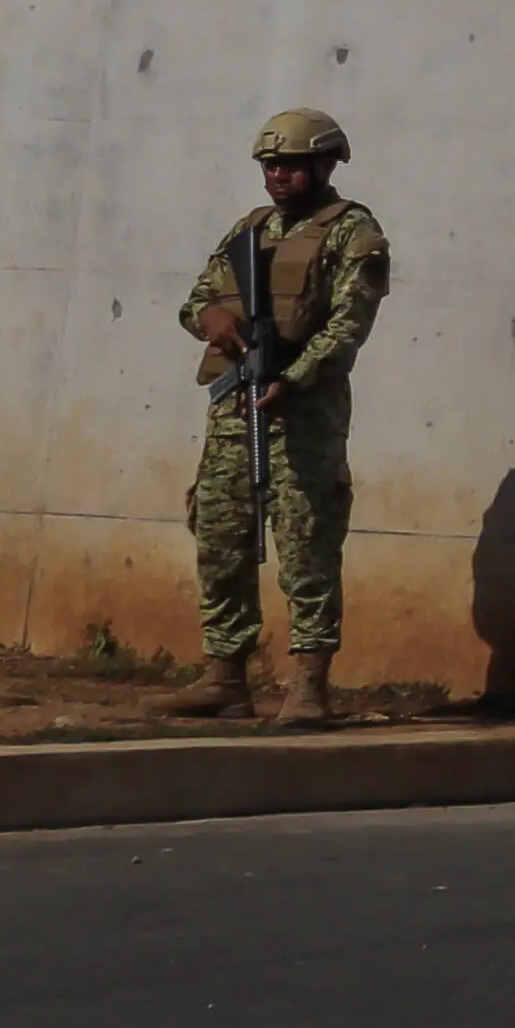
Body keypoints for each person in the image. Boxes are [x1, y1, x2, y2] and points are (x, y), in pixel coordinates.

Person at [162, 107, 392, 729]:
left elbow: (349, 324)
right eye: (269, 166)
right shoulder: (252, 229)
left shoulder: (353, 232)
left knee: (305, 545)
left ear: (324, 164)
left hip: (303, 414)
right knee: (221, 539)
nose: (277, 176)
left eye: (289, 165)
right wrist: (212, 321)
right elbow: (198, 300)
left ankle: (309, 687)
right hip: (235, 410)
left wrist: (295, 377)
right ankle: (224, 677)